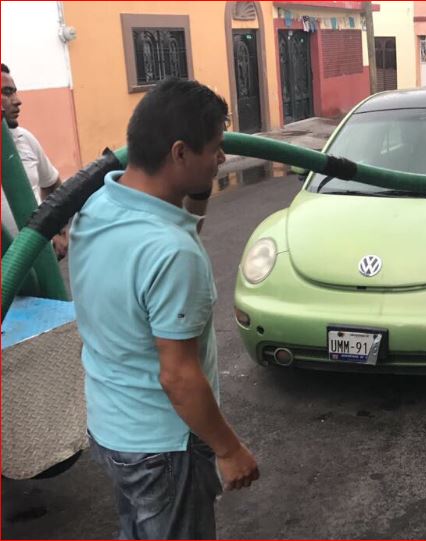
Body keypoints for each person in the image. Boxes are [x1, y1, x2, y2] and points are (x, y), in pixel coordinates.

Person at [68, 78, 258, 539]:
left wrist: (201, 190)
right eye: (214, 149)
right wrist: (228, 449)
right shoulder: (171, 253)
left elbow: (178, 231)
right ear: (178, 153)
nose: (222, 159)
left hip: (112, 429)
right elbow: (177, 376)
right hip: (163, 448)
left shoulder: (97, 205)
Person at [2, 62, 68, 257]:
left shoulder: (25, 139)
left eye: (15, 92)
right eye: (7, 92)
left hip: (40, 264)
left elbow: (53, 185)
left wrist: (57, 230)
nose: (17, 100)